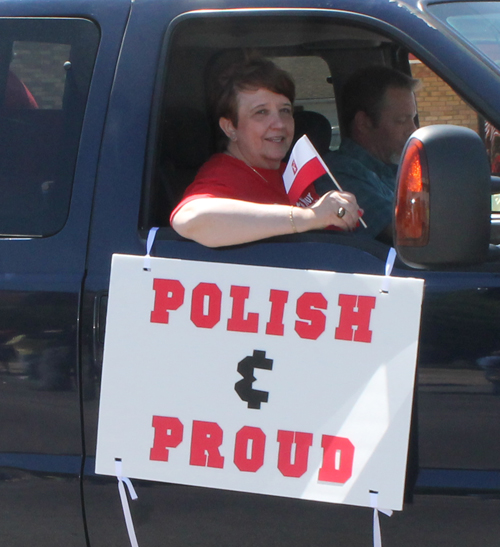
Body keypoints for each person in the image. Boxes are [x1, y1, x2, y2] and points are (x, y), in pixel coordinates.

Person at [170, 53, 361, 248]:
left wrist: (340, 210)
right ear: (230, 127)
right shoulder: (224, 174)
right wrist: (308, 217)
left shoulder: (287, 171)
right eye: (261, 112)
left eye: (285, 110)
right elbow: (189, 219)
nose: (279, 124)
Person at [318, 66, 419, 244]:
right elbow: (410, 231)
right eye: (401, 121)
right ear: (364, 123)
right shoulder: (340, 175)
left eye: (413, 119)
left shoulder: (392, 168)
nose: (413, 130)